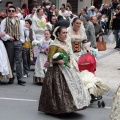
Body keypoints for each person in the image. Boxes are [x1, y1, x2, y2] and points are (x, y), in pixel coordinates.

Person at [38, 26, 90, 114]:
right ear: (58, 34)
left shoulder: (67, 43)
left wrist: (74, 66)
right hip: (56, 70)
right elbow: (49, 60)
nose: (65, 34)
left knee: (74, 85)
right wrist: (58, 61)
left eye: (66, 33)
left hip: (68, 68)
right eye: (63, 33)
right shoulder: (54, 45)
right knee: (58, 89)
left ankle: (72, 106)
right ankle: (59, 108)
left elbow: (71, 56)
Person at [1, 6, 26, 85]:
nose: (11, 12)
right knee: (11, 60)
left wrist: (21, 41)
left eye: (12, 11)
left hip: (18, 42)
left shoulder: (20, 21)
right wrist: (8, 37)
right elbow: (1, 33)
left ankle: (20, 78)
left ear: (15, 12)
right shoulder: (4, 21)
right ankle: (11, 77)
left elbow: (22, 32)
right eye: (9, 11)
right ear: (7, 12)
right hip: (9, 43)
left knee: (19, 60)